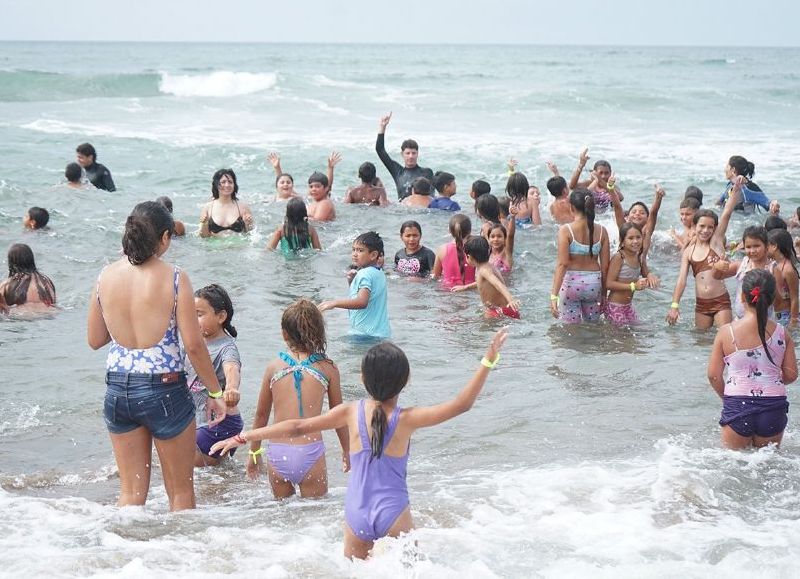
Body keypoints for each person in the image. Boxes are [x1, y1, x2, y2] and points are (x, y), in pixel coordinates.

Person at [211, 328, 508, 559]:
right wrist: (487, 360)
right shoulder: (407, 418)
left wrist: (244, 437)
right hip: (393, 512)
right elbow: (462, 405)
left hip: (356, 514)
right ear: (405, 381)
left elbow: (296, 426)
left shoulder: (350, 412)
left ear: (364, 378)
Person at [87, 201, 226, 510]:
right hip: (164, 390)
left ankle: (122, 552)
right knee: (180, 494)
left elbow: (95, 339)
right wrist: (215, 392)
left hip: (118, 389)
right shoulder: (175, 278)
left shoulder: (105, 276)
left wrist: (126, 318)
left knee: (131, 495)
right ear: (164, 237)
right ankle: (179, 558)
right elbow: (194, 344)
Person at [245, 299, 349, 498]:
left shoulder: (273, 367)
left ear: (284, 333)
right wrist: (347, 450)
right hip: (310, 451)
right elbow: (339, 417)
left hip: (278, 452)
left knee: (283, 517)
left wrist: (254, 454)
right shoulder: (329, 368)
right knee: (314, 518)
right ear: (319, 331)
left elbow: (260, 416)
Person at [707, 270, 797, 449]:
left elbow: (713, 375)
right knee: (768, 467)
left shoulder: (727, 332)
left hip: (737, 405)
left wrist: (727, 399)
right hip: (773, 407)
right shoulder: (782, 333)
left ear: (742, 296)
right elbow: (791, 375)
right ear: (772, 299)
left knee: (732, 466)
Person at [185, 284, 244, 467]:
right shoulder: (193, 343)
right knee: (213, 476)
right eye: (191, 314)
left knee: (189, 470)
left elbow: (232, 368)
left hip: (219, 423)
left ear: (221, 316)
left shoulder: (226, 347)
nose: (194, 320)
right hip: (200, 421)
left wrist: (232, 388)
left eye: (200, 315)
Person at [666, 187, 739, 329]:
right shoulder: (688, 252)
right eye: (702, 226)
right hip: (701, 305)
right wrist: (674, 306)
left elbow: (727, 213)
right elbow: (681, 280)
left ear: (715, 228)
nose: (706, 231)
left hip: (721, 302)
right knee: (701, 342)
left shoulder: (716, 242)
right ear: (694, 225)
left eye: (710, 227)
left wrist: (736, 189)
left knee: (726, 337)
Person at [550, 189, 610, 323]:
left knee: (570, 328)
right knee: (593, 325)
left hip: (571, 283)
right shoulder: (602, 231)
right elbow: (605, 267)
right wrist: (604, 295)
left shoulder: (566, 230)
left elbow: (562, 264)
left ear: (572, 207)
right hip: (594, 284)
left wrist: (554, 296)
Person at [318, 232, 390, 339]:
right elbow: (367, 297)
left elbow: (362, 302)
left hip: (364, 335)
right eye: (354, 249)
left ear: (373, 255)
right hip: (381, 333)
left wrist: (334, 303)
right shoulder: (379, 272)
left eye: (360, 250)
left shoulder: (364, 274)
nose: (355, 254)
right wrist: (352, 282)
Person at [713, 226, 782, 321]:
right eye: (748, 247)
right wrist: (717, 267)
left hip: (765, 320)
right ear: (743, 247)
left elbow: (778, 302)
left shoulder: (773, 269)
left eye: (756, 246)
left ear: (766, 246)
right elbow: (717, 276)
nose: (752, 251)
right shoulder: (741, 266)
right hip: (740, 319)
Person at [605, 223, 657, 326]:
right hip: (615, 307)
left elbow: (645, 271)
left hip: (628, 307)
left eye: (638, 237)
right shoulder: (619, 258)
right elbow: (609, 284)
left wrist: (650, 275)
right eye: (630, 238)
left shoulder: (639, 256)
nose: (635, 241)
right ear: (622, 241)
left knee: (638, 333)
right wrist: (633, 286)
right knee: (620, 338)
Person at [375, 112, 434, 200]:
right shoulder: (397, 172)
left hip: (422, 212)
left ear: (417, 154)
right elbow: (380, 150)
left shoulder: (427, 172)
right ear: (402, 154)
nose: (411, 156)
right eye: (408, 153)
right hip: (403, 211)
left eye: (414, 153)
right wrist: (382, 127)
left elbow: (432, 197)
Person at [464, 237, 521, 319]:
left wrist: (511, 300)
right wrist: (466, 287)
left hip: (499, 311)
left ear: (469, 256)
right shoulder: (489, 266)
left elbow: (498, 284)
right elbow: (483, 283)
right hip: (508, 309)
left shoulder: (483, 270)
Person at [609, 184, 665, 261]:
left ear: (647, 218)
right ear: (627, 217)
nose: (637, 214)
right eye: (634, 212)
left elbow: (653, 213)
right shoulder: (623, 228)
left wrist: (658, 197)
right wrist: (611, 188)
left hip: (640, 267)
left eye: (642, 213)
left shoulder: (646, 233)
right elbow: (617, 207)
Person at [0, 243, 56, 315]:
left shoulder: (6, 285)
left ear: (11, 262)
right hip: (49, 315)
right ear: (31, 259)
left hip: (20, 318)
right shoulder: (47, 282)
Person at [199, 169, 254, 237]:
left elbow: (250, 235)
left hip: (238, 247)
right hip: (215, 247)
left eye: (230, 182)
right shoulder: (208, 207)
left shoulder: (243, 207)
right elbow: (204, 237)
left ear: (234, 185)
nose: (227, 185)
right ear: (216, 185)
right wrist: (205, 224)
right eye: (223, 182)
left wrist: (247, 224)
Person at [433, 214, 477, 291]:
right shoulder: (475, 248)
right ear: (470, 231)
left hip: (447, 291)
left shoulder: (442, 249)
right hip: (471, 289)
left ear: (450, 231)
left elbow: (436, 275)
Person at [767, 229, 799, 327]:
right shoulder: (774, 265)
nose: (765, 248)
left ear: (775, 246)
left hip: (786, 316)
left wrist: (793, 320)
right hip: (776, 314)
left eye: (767, 245)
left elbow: (795, 298)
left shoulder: (788, 270)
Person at [307, 157, 340, 221]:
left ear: (326, 189)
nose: (314, 189)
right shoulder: (315, 200)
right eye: (311, 187)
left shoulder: (325, 203)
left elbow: (317, 222)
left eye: (317, 186)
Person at [486, 210, 516, 276]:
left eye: (499, 236)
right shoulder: (486, 254)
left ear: (505, 238)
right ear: (488, 238)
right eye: (492, 237)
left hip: (507, 285)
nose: (496, 239)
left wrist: (512, 217)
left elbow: (510, 235)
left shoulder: (507, 253)